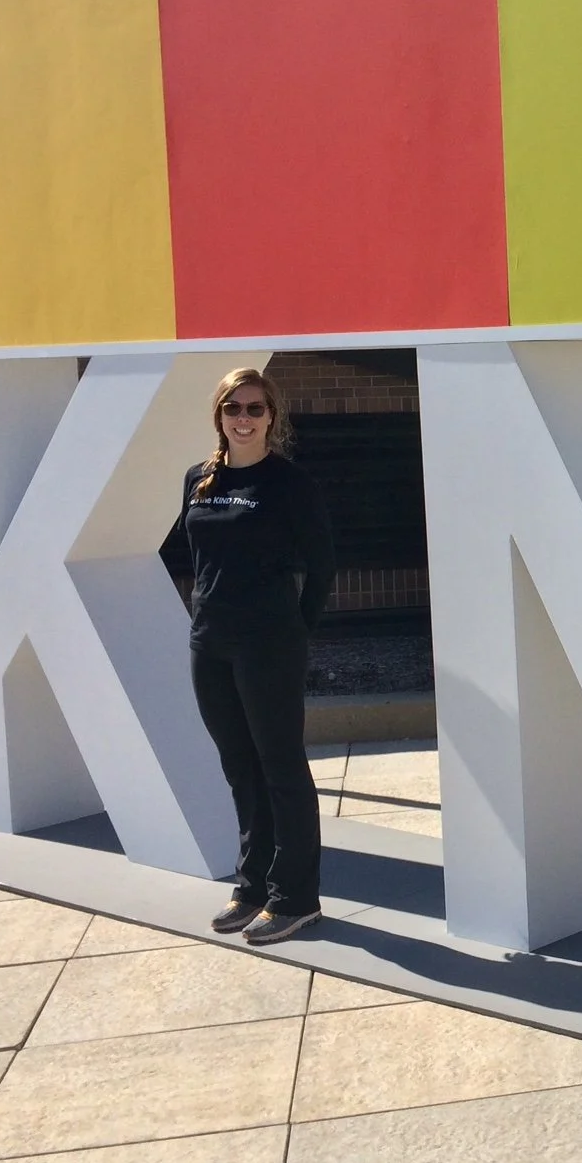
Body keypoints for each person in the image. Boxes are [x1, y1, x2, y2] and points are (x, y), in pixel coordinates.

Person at [181, 367, 336, 944]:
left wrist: (295, 629)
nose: (242, 419)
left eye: (254, 408)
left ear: (272, 416)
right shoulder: (199, 478)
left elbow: (322, 566)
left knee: (281, 769)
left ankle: (295, 898)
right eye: (233, 408)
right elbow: (200, 559)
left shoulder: (290, 484)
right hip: (210, 642)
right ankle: (251, 888)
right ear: (219, 415)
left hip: (269, 644)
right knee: (239, 768)